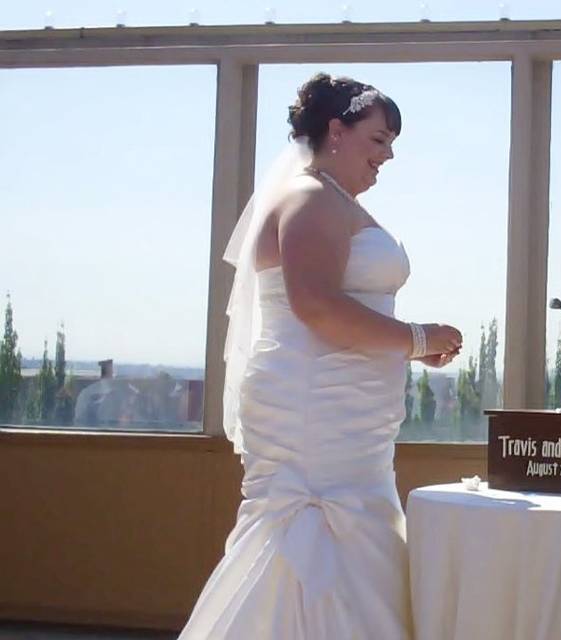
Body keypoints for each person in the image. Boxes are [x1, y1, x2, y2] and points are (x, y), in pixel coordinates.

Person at [179, 72, 462, 639]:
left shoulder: (331, 200)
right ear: (337, 130)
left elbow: (341, 311)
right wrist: (417, 337)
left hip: (347, 413)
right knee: (318, 534)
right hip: (312, 413)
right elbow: (314, 306)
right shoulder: (309, 197)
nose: (387, 156)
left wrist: (405, 349)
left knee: (355, 533)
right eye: (379, 139)